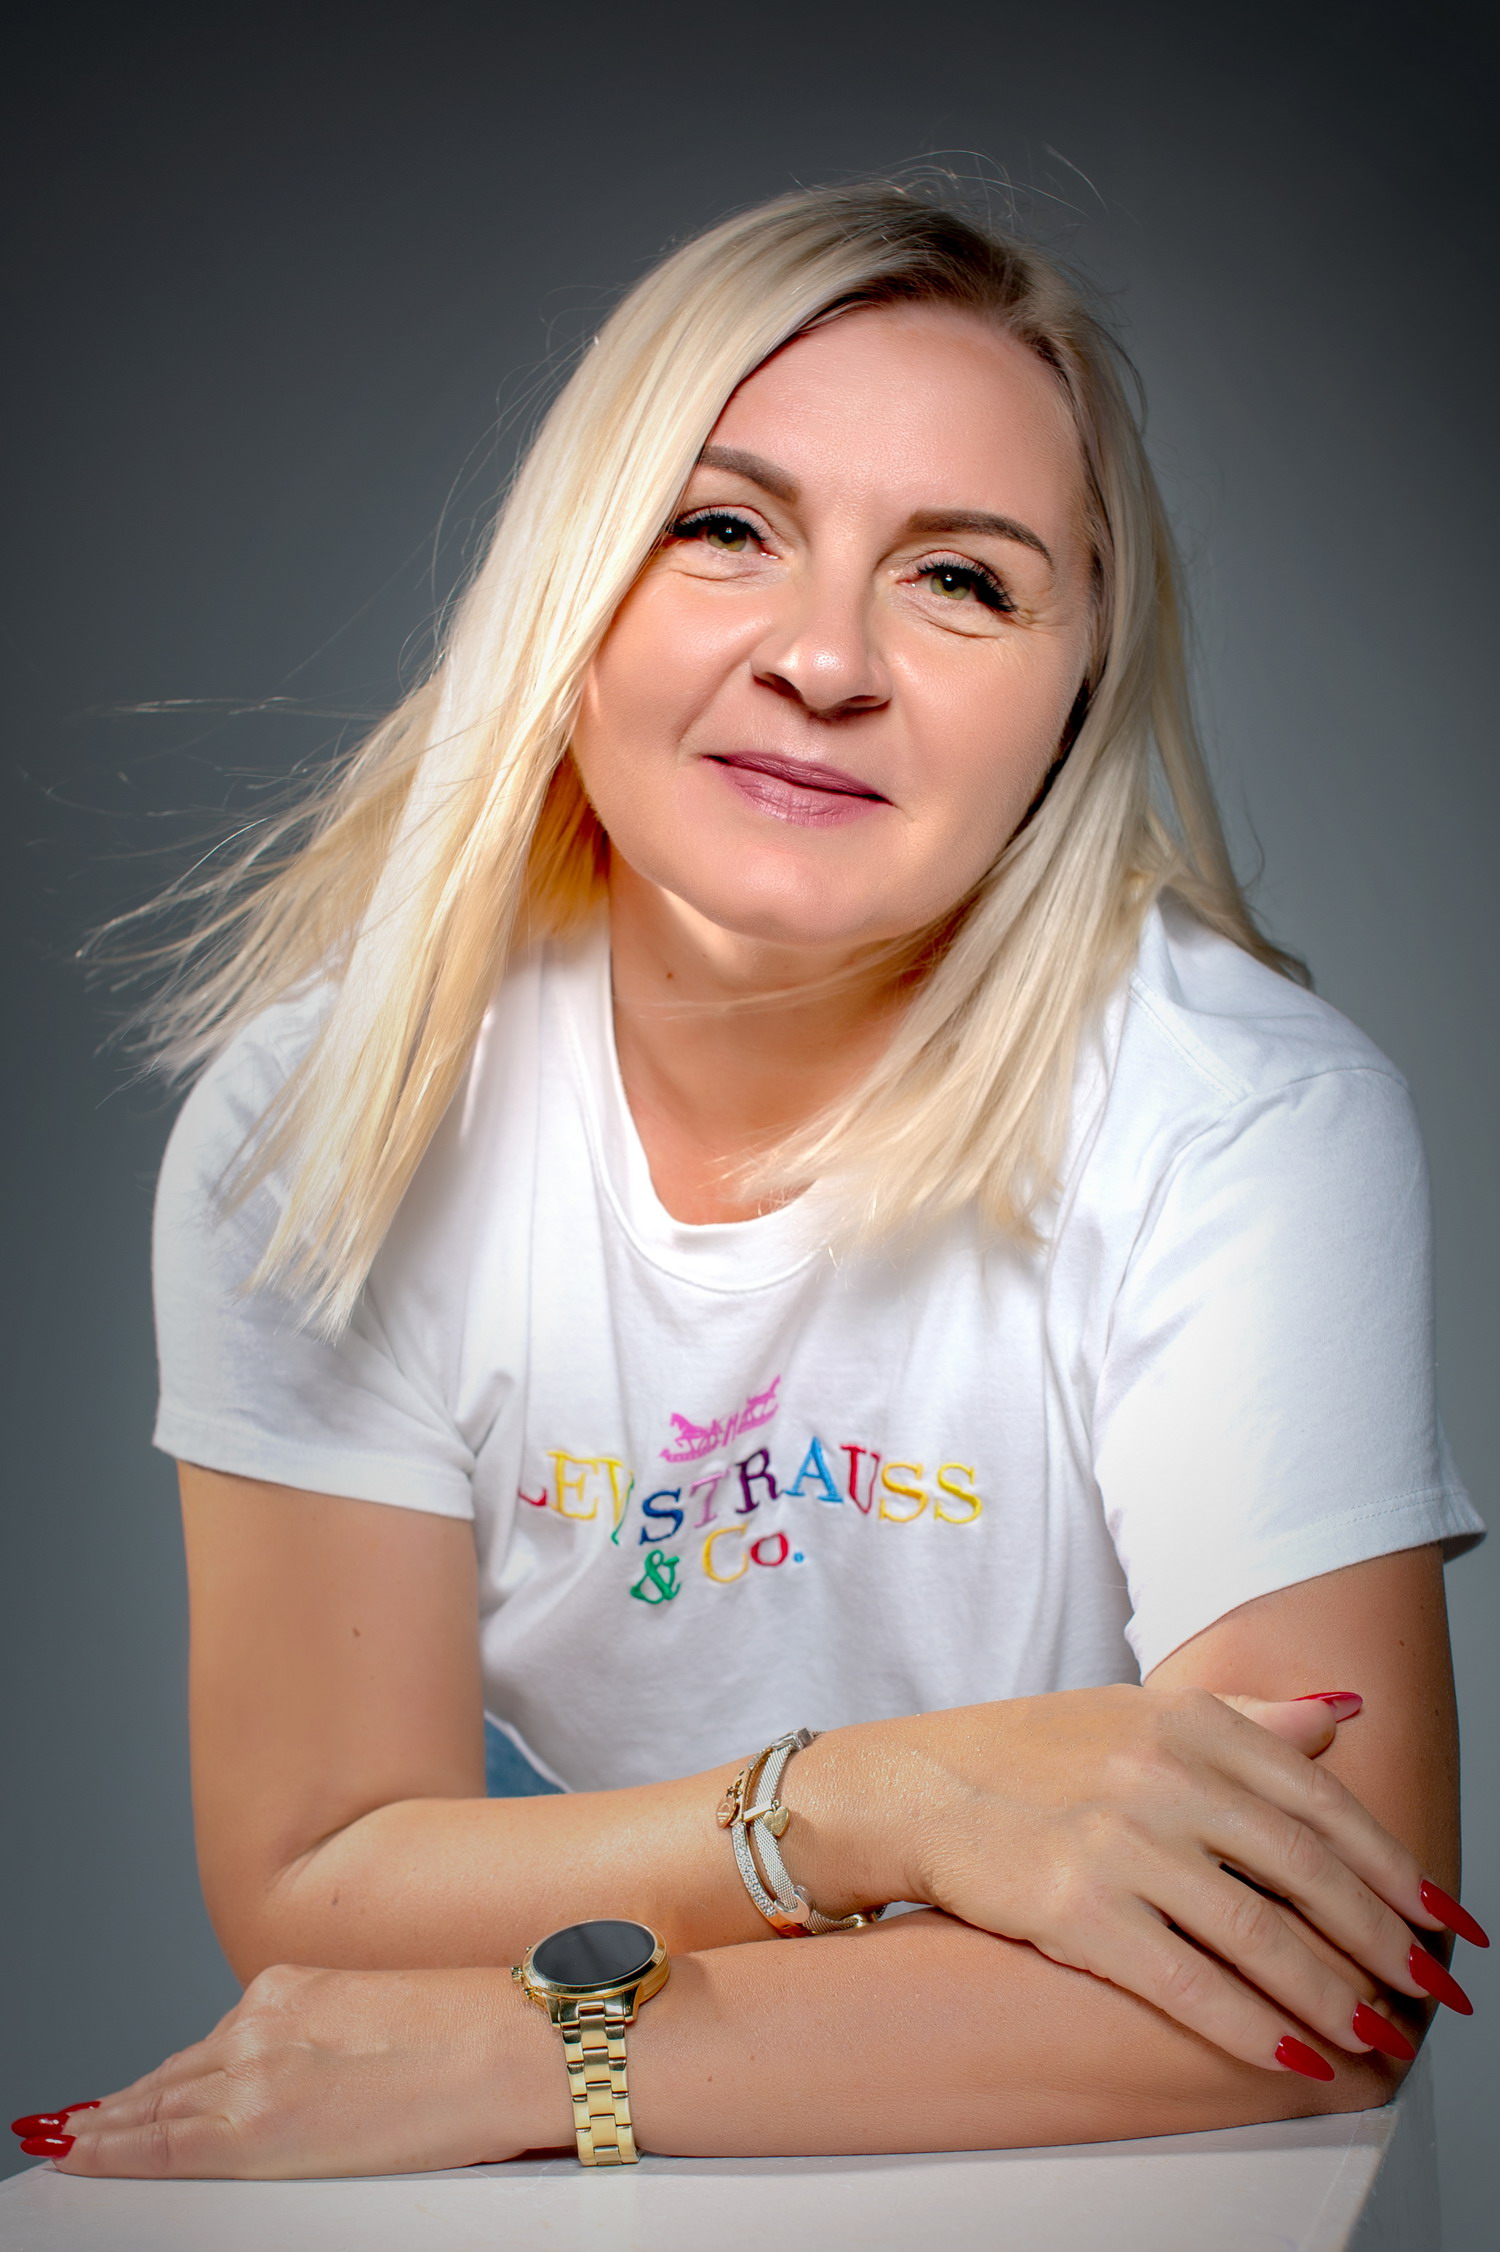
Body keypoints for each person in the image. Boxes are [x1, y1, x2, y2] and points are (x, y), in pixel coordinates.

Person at [14, 183, 1487, 2181]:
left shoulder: (1238, 1116)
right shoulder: (325, 1118)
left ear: (1075, 691)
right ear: (576, 584)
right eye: (724, 528)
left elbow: (1318, 1976)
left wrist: (536, 2053)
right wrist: (881, 1804)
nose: (823, 657)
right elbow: (319, 1878)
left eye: (960, 579)